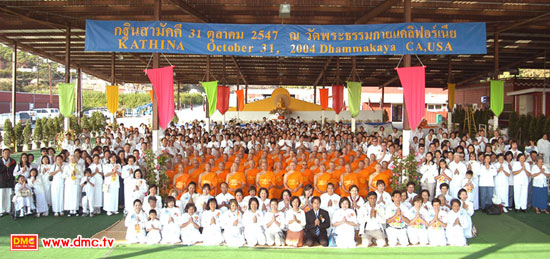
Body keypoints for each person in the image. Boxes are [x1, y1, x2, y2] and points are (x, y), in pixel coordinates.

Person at [0, 149, 16, 216]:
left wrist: (8, 167)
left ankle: (8, 209)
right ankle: (1, 210)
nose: (7, 154)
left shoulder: (13, 161)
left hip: (10, 181)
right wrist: (5, 167)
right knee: (1, 196)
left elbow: (14, 171)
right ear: (2, 153)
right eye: (5, 153)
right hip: (1, 181)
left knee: (9, 195)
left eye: (8, 153)